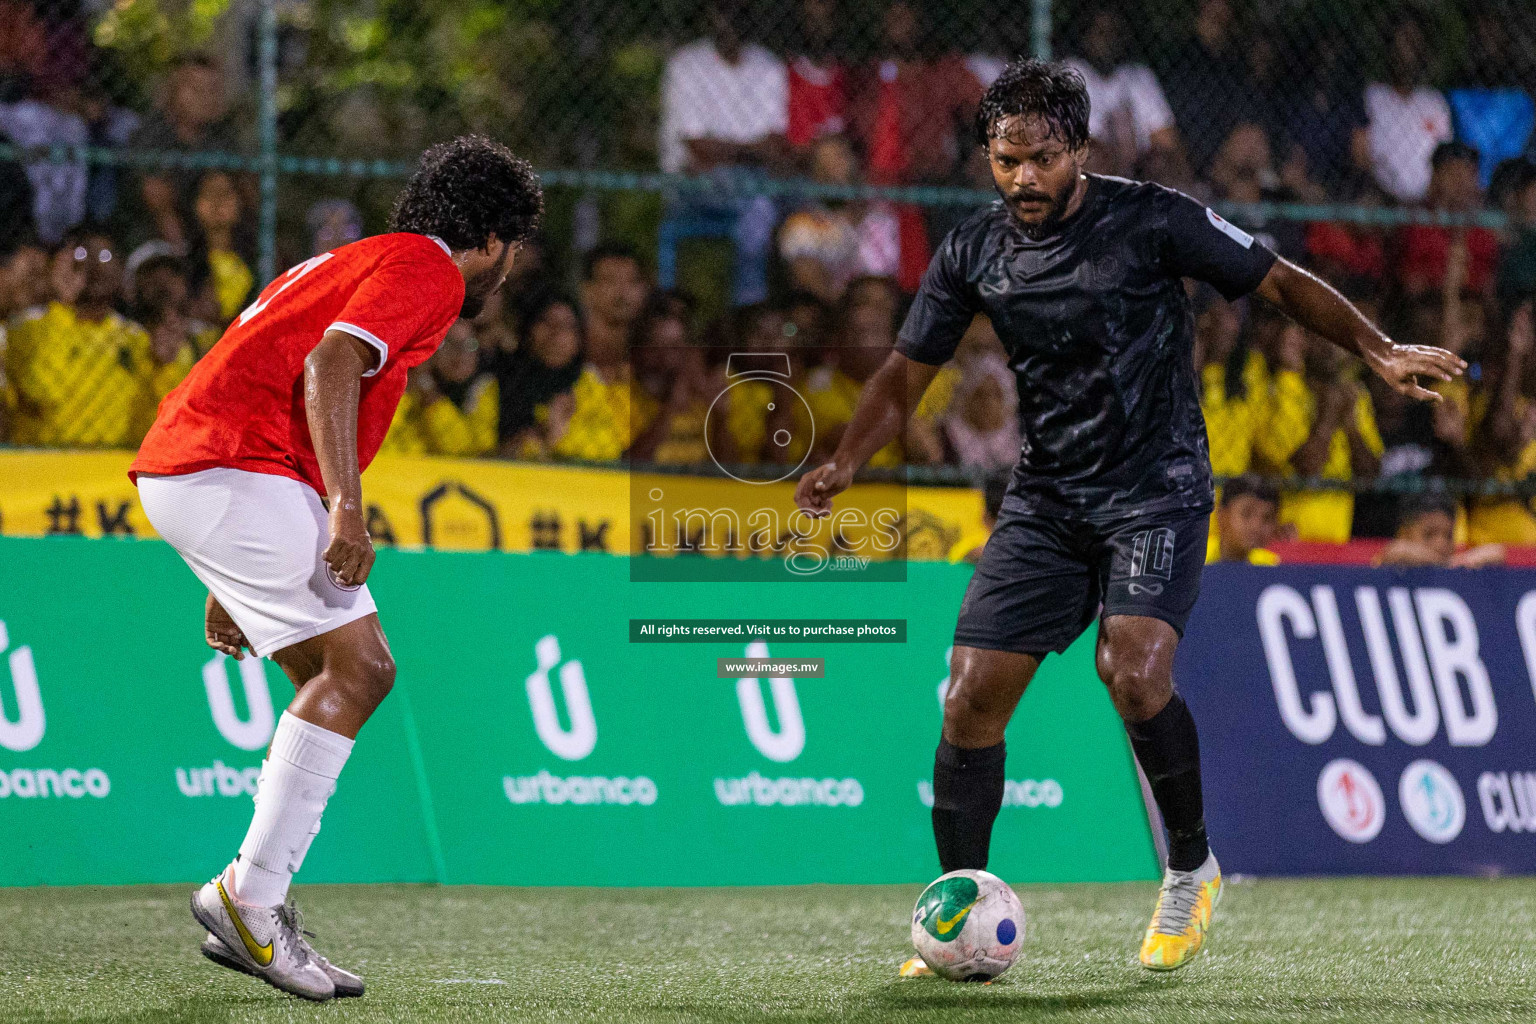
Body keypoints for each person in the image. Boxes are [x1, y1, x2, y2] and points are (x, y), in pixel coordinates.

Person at [794, 59, 1462, 975]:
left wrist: (1378, 349)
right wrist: (844, 459)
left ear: (1079, 149)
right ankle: (958, 910)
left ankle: (1191, 868)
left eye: (1038, 158)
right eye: (1004, 160)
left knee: (1134, 669)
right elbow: (907, 373)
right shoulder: (973, 250)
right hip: (1048, 500)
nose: (1022, 178)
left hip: (1158, 486)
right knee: (969, 697)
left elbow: (1275, 279)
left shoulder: (1154, 218)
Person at [128, 136, 542, 1002]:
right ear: (496, 240)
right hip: (232, 468)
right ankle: (250, 900)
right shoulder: (431, 272)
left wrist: (231, 573)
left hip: (207, 468)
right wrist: (347, 510)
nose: (511, 272)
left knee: (329, 673)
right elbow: (329, 364)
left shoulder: (365, 257)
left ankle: (253, 896)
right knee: (364, 667)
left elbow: (279, 371)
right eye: (518, 251)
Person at [1376, 494, 1504, 569]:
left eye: (1448, 536)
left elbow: (1496, 552)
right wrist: (1446, 565)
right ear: (1404, 533)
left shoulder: (1456, 560)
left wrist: (1468, 561)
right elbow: (1397, 551)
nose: (1440, 544)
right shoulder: (1392, 559)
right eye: (1429, 534)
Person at [1207, 476, 1280, 565]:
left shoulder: (1270, 566)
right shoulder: (1193, 560)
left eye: (1267, 518)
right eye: (1246, 514)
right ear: (1222, 516)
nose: (1256, 526)